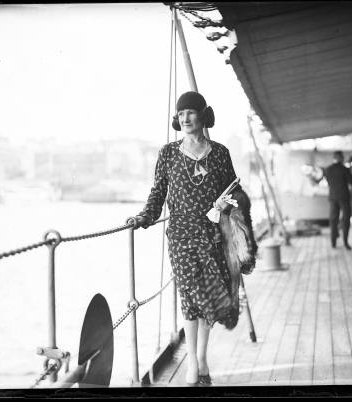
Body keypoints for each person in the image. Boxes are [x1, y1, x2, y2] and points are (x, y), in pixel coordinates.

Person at [132, 91, 240, 386]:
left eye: (191, 112)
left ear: (202, 115)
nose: (186, 118)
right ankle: (193, 362)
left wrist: (225, 204)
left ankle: (201, 358)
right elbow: (158, 193)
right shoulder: (168, 153)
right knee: (190, 299)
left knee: (208, 300)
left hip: (212, 235)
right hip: (180, 236)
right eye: (181, 115)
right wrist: (144, 217)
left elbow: (234, 191)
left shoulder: (220, 153)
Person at [323, 151, 352, 250]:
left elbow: (327, 181)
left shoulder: (328, 170)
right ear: (341, 158)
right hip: (344, 197)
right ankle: (345, 242)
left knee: (333, 219)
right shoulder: (345, 169)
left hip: (333, 198)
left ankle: (333, 242)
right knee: (345, 220)